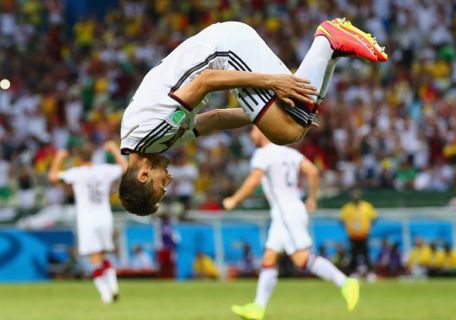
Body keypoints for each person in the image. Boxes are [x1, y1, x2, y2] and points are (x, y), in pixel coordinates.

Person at [118, 18, 388, 216]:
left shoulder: (151, 133)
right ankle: (333, 52)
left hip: (224, 50)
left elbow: (206, 81)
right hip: (224, 48)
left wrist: (272, 83)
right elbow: (215, 119)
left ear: (143, 175)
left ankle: (327, 41)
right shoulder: (147, 142)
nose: (169, 180)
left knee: (286, 131)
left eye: (161, 186)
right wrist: (266, 115)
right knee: (292, 125)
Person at [223, 126, 359, 320]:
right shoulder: (288, 152)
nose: (252, 135)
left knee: (301, 258)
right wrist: (311, 198)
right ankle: (258, 308)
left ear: (262, 132)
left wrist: (234, 200)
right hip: (291, 209)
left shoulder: (263, 153)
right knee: (269, 258)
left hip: (286, 213)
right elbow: (312, 171)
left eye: (253, 130)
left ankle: (345, 282)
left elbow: (254, 180)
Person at [48, 141, 127, 304]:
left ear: (78, 158)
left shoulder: (76, 173)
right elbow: (126, 168)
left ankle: (106, 295)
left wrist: (58, 157)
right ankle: (114, 288)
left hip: (87, 220)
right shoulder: (104, 170)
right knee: (104, 255)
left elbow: (52, 177)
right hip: (105, 216)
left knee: (94, 259)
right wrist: (113, 149)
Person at [339, 189, 377, 275]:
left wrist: (368, 227)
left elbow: (374, 218)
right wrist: (348, 229)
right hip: (353, 236)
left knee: (366, 254)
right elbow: (341, 220)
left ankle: (370, 272)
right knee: (353, 254)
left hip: (364, 235)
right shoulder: (347, 208)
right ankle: (353, 272)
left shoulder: (367, 206)